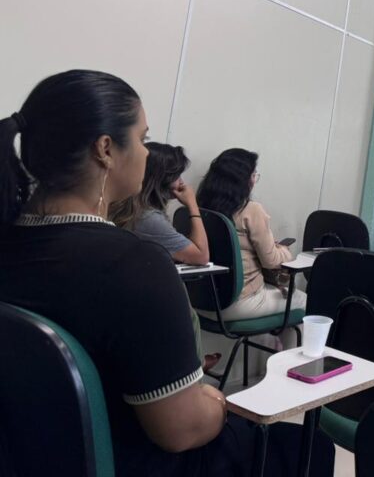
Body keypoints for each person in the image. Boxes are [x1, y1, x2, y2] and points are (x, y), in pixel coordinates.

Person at [0, 70, 333, 475]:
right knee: (309, 447)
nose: (146, 153)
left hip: (34, 454)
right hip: (130, 461)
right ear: (106, 149)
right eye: (142, 139)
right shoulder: (132, 264)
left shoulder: (11, 243)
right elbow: (182, 431)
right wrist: (216, 401)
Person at [110, 142, 220, 373]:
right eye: (176, 176)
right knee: (187, 313)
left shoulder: (128, 206)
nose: (181, 182)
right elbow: (201, 255)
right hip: (142, 298)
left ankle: (196, 363)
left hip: (122, 291)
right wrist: (192, 205)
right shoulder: (147, 218)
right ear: (161, 179)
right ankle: (195, 371)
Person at [196, 148, 305, 340]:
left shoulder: (201, 207)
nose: (254, 180)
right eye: (253, 174)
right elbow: (272, 261)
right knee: (305, 301)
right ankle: (291, 360)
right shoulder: (251, 210)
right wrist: (284, 250)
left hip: (202, 303)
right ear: (243, 180)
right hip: (239, 302)